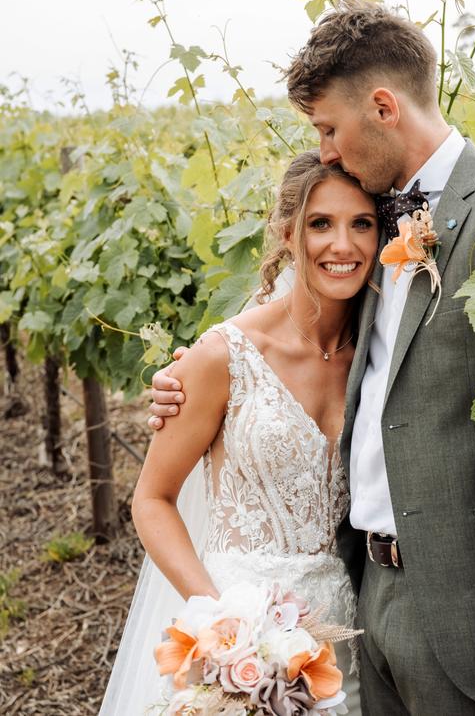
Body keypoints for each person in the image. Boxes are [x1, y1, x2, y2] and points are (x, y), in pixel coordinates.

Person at [150, 0, 475, 715]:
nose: (325, 150)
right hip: (362, 597)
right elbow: (301, 346)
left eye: (329, 127)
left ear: (383, 106)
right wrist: (185, 374)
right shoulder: (371, 219)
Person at [100, 150, 378, 715]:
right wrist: (224, 623)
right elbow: (151, 500)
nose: (342, 246)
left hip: (348, 638)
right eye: (320, 224)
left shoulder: (382, 354)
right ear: (285, 231)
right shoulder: (222, 355)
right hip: (236, 633)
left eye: (362, 224)